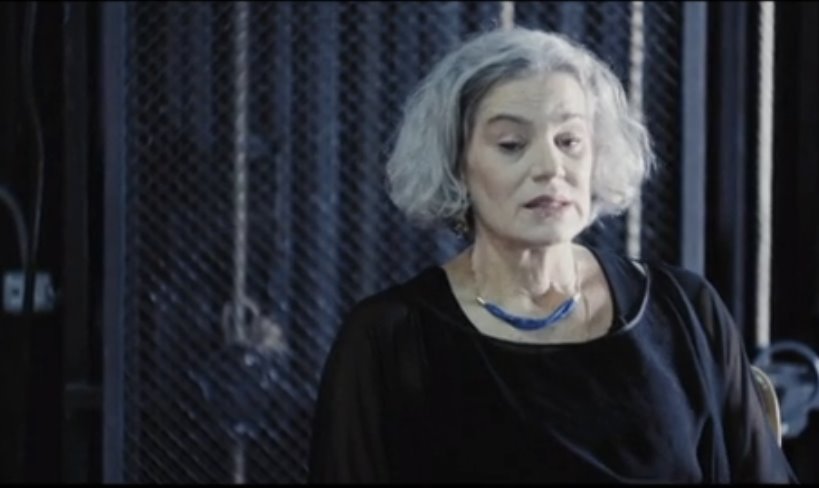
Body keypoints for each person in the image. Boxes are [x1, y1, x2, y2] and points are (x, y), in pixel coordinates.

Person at [308, 27, 798, 483]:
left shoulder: (685, 309)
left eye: (569, 141)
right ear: (457, 164)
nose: (550, 166)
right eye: (511, 144)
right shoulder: (388, 339)